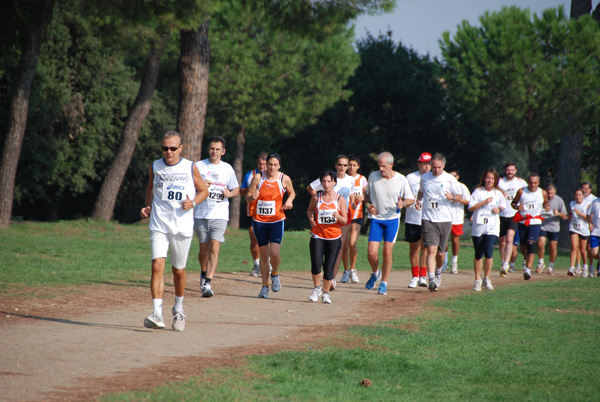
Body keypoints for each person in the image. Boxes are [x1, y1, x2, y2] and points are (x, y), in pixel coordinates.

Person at [140, 131, 208, 331]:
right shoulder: (155, 166)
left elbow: (203, 190)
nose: (168, 152)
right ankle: (157, 313)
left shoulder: (190, 167)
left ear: (181, 148)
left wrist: (193, 202)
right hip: (159, 223)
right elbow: (150, 187)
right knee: (157, 266)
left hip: (182, 226)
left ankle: (178, 309)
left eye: (172, 148)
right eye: (164, 148)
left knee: (178, 271)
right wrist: (147, 206)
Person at [194, 136, 240, 298]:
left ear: (223, 151)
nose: (214, 152)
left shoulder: (227, 168)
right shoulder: (198, 166)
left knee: (215, 245)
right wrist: (199, 186)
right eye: (212, 148)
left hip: (220, 214)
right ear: (208, 149)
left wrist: (229, 193)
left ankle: (207, 282)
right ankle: (203, 271)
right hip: (200, 213)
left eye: (218, 149)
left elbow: (236, 189)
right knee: (203, 249)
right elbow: (188, 185)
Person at [364, 152, 414, 295]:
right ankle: (375, 273)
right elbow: (366, 195)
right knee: (371, 253)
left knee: (387, 251)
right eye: (379, 165)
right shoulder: (373, 176)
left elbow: (410, 199)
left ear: (391, 165)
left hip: (392, 220)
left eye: (384, 166)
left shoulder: (401, 179)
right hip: (376, 219)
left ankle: (383, 283)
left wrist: (402, 203)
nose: (381, 169)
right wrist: (368, 205)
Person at [246, 153, 295, 298]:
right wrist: (251, 197)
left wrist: (290, 200)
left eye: (275, 165)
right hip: (259, 221)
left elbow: (292, 193)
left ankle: (275, 274)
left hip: (276, 220)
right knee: (264, 254)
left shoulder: (284, 179)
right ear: (265, 165)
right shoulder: (258, 178)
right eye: (269, 164)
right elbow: (247, 197)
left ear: (279, 166)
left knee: (274, 252)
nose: (272, 167)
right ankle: (264, 286)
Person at [306, 155, 354, 290]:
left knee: (339, 247)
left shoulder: (351, 180)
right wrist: (319, 203)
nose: (343, 167)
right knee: (317, 260)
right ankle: (324, 281)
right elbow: (310, 188)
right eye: (340, 165)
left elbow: (352, 197)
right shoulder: (326, 179)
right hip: (323, 218)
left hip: (341, 215)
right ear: (336, 165)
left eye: (345, 165)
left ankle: (331, 277)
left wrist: (354, 202)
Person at [417, 153, 463, 292]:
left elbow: (460, 196)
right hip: (428, 218)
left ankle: (438, 273)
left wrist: (452, 197)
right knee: (431, 249)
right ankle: (431, 279)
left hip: (444, 219)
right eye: (434, 167)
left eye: (439, 167)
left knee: (441, 253)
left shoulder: (449, 179)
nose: (436, 170)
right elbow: (421, 191)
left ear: (444, 166)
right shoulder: (425, 178)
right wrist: (419, 200)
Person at [468, 168, 506, 291]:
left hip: (492, 227)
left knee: (489, 252)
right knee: (478, 254)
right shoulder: (478, 192)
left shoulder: (498, 193)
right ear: (484, 178)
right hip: (479, 227)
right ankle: (477, 279)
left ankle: (487, 278)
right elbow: (471, 207)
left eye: (492, 178)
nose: (490, 180)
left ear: (495, 180)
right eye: (488, 177)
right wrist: (484, 202)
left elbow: (503, 205)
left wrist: (498, 210)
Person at [511, 173, 550, 280]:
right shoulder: (521, 191)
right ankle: (525, 257)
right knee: (523, 246)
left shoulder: (542, 192)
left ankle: (528, 269)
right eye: (531, 182)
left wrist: (546, 207)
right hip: (523, 221)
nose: (533, 184)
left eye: (535, 182)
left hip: (535, 221)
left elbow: (546, 203)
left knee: (531, 243)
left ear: (538, 183)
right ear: (528, 182)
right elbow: (513, 203)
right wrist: (517, 206)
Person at [405, 152, 431, 288]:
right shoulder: (410, 177)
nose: (426, 167)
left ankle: (423, 276)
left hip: (427, 217)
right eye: (423, 163)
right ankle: (414, 276)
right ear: (419, 164)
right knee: (414, 248)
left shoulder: (433, 178)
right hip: (412, 217)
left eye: (428, 164)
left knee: (425, 248)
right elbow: (403, 194)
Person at [239, 151, 268, 277]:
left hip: (269, 212)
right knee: (254, 238)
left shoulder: (274, 176)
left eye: (264, 164)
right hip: (253, 211)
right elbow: (241, 191)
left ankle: (267, 264)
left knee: (270, 240)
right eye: (260, 164)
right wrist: (252, 188)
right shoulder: (250, 175)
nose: (262, 167)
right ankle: (256, 264)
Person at [497, 163, 527, 276]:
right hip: (501, 214)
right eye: (508, 170)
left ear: (516, 170)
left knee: (509, 239)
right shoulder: (500, 181)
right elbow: (492, 186)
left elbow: (527, 194)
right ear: (505, 171)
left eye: (512, 170)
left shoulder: (521, 182)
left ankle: (506, 264)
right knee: (502, 240)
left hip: (513, 214)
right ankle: (502, 261)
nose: (510, 172)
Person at [342, 154, 368, 284]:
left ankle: (353, 270)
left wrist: (363, 197)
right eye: (349, 165)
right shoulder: (343, 179)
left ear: (358, 167)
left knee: (352, 243)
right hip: (344, 216)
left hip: (357, 215)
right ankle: (346, 271)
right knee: (344, 245)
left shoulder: (362, 179)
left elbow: (368, 194)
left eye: (354, 165)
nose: (351, 168)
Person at [536, 183, 568, 274]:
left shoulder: (559, 200)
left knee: (553, 247)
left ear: (555, 192)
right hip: (543, 225)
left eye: (552, 193)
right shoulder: (542, 198)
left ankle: (551, 265)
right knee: (540, 243)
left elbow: (565, 216)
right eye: (548, 193)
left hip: (554, 227)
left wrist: (559, 214)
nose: (550, 195)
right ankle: (541, 262)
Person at [446, 170, 471, 274]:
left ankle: (454, 261)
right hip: (445, 216)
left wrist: (456, 198)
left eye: (454, 176)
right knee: (443, 240)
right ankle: (444, 261)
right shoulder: (445, 185)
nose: (452, 178)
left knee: (455, 240)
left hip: (457, 217)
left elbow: (469, 201)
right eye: (450, 176)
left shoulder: (461, 187)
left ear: (458, 177)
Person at [568, 188, 590, 276]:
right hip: (574, 227)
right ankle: (572, 267)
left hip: (584, 228)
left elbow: (588, 218)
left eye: (579, 195)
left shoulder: (587, 205)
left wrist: (579, 213)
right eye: (576, 195)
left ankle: (585, 266)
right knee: (574, 247)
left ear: (583, 196)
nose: (577, 197)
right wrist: (570, 216)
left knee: (582, 249)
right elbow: (570, 213)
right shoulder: (572, 203)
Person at [581, 181, 597, 276]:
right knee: (581, 248)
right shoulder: (579, 198)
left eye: (586, 188)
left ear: (590, 189)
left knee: (589, 247)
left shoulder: (594, 200)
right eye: (583, 188)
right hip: (581, 226)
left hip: (592, 228)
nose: (584, 190)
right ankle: (583, 266)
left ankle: (591, 266)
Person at [587, 197, 600, 277]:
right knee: (594, 253)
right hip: (595, 231)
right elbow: (588, 214)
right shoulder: (595, 202)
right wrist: (590, 223)